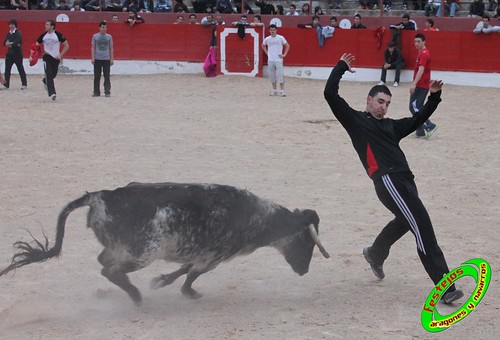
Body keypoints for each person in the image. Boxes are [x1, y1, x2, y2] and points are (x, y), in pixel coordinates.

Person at [323, 52, 464, 306]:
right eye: (379, 101)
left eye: (387, 103)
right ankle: (446, 287)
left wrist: (434, 97)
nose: (383, 107)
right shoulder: (355, 121)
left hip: (406, 182)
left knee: (405, 221)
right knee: (422, 227)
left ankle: (375, 253)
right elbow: (330, 95)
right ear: (369, 99)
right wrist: (341, 67)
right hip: (388, 182)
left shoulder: (391, 126)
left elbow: (417, 119)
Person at [31, 20, 69, 101]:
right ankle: (52, 93)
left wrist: (61, 55)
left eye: (47, 24)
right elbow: (36, 45)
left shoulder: (58, 35)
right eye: (45, 24)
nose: (45, 26)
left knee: (53, 75)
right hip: (47, 57)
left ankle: (45, 81)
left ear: (52, 26)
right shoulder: (43, 35)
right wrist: (33, 55)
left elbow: (66, 45)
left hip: (55, 58)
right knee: (49, 75)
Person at [410, 33, 437, 138]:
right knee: (416, 107)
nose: (416, 44)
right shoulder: (423, 53)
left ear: (424, 42)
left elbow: (421, 69)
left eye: (419, 41)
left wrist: (414, 84)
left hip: (421, 84)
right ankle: (420, 130)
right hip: (423, 84)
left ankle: (429, 125)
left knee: (414, 107)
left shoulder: (424, 54)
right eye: (415, 41)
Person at [262, 24, 290, 97]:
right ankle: (274, 90)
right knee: (272, 75)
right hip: (271, 59)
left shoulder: (280, 38)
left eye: (273, 30)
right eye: (271, 30)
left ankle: (282, 90)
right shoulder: (267, 39)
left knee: (280, 75)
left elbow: (287, 46)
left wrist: (284, 54)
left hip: (278, 59)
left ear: (276, 30)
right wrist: (267, 52)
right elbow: (263, 45)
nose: (272, 31)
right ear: (269, 30)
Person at [3, 19, 27, 90]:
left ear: (15, 25)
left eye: (12, 24)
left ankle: (24, 84)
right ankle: (6, 85)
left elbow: (16, 42)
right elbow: (4, 42)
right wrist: (7, 43)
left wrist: (9, 44)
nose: (10, 26)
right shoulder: (9, 33)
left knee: (20, 68)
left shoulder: (18, 33)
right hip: (9, 54)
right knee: (7, 70)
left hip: (17, 54)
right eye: (10, 24)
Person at [91, 20, 114, 97]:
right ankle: (96, 92)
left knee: (106, 76)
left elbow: (111, 48)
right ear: (99, 28)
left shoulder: (109, 36)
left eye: (105, 27)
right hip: (97, 58)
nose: (104, 28)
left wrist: (112, 58)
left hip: (106, 58)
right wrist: (93, 57)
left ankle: (107, 92)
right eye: (103, 27)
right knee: (97, 76)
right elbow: (93, 47)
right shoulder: (95, 36)